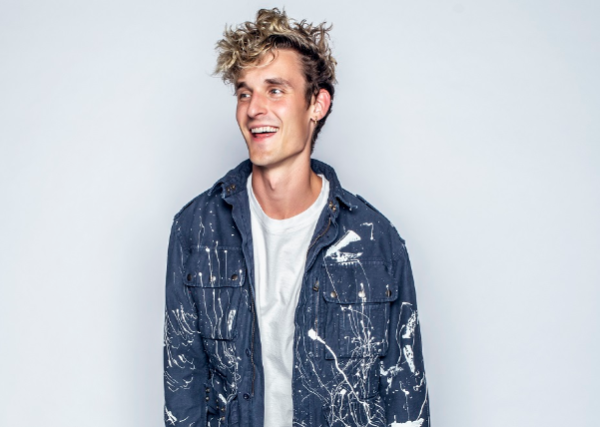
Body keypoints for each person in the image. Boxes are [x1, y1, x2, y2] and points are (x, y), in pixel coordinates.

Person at [164, 8, 429, 427]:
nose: (254, 109)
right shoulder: (197, 229)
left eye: (275, 90)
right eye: (244, 93)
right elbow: (183, 387)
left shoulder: (375, 239)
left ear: (317, 104)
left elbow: (405, 394)